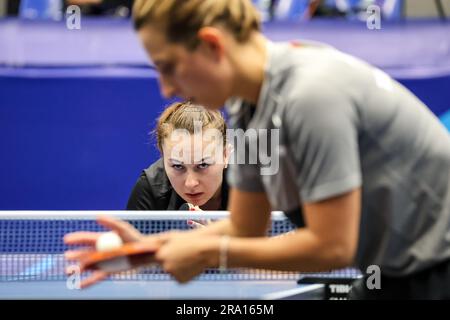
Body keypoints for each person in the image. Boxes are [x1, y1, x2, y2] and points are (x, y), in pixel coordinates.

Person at [65, 0, 450, 298]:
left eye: (169, 67)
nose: (166, 89)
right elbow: (246, 228)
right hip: (399, 269)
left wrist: (203, 255)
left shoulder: (308, 95)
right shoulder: (247, 108)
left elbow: (332, 246)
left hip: (438, 267)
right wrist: (153, 249)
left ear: (212, 45)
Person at [126, 101, 229, 212]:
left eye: (203, 165)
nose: (191, 183)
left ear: (225, 155)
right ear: (163, 158)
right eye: (178, 166)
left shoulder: (248, 182)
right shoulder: (150, 189)